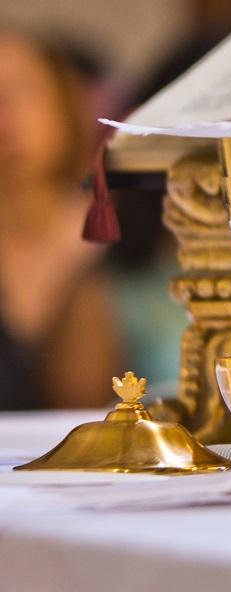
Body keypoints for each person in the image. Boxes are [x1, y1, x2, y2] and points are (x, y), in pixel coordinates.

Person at [0, 26, 123, 409]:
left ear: (66, 105)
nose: (6, 115)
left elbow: (86, 398)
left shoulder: (121, 229)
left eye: (19, 91)